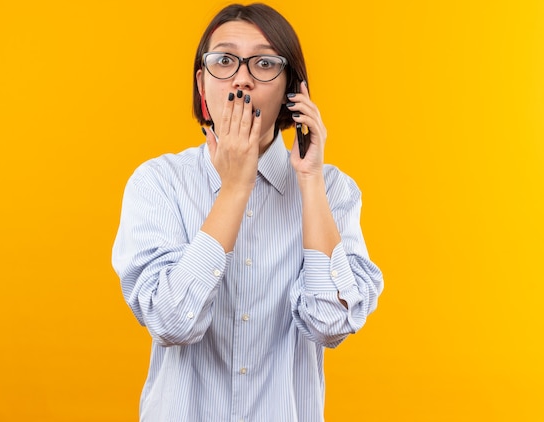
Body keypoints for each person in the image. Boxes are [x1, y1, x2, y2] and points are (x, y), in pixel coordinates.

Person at [112, 3, 384, 420]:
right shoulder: (159, 182)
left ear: (293, 91)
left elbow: (330, 323)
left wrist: (309, 181)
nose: (242, 78)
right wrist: (235, 188)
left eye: (263, 63)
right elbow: (170, 321)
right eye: (224, 60)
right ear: (202, 85)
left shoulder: (332, 190)